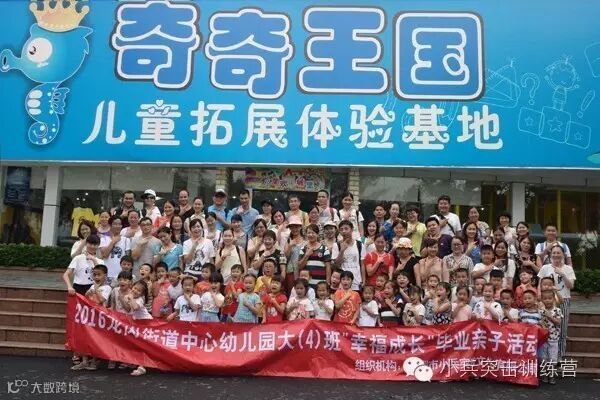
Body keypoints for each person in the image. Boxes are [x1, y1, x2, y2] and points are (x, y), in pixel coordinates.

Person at [537, 244, 575, 360]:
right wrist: (539, 296)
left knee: (562, 330)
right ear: (550, 254)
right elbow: (539, 284)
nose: (556, 255)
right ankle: (545, 357)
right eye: (554, 252)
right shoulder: (545, 268)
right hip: (546, 299)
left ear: (563, 255)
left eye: (559, 252)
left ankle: (559, 357)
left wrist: (562, 274)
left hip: (564, 300)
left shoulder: (568, 268)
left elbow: (571, 286)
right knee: (545, 327)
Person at [71, 264, 111, 371]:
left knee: (96, 339)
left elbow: (101, 300)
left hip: (99, 317)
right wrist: (87, 293)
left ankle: (94, 361)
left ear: (105, 275)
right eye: (95, 275)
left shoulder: (107, 288)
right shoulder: (92, 286)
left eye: (99, 275)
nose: (96, 277)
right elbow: (86, 299)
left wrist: (96, 290)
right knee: (86, 337)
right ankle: (84, 361)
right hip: (89, 315)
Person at [122, 280, 152, 376]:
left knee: (144, 346)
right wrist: (124, 298)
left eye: (139, 291)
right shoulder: (130, 296)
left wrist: (130, 298)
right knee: (136, 344)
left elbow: (135, 307)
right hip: (137, 324)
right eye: (135, 288)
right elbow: (127, 309)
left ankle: (142, 366)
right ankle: (134, 362)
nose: (135, 291)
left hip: (147, 324)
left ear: (142, 294)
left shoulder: (140, 299)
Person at [331, 220, 366, 291]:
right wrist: (342, 251)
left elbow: (362, 264)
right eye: (341, 229)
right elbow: (336, 265)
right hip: (342, 283)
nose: (344, 231)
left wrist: (364, 280)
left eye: (346, 228)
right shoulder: (336, 245)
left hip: (357, 281)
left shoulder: (359, 245)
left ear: (352, 229)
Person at [539, 289, 563, 385]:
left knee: (552, 359)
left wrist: (549, 316)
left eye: (550, 298)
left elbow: (558, 322)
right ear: (542, 300)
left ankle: (551, 375)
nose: (547, 300)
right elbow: (539, 323)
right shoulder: (540, 311)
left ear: (553, 299)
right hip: (543, 339)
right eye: (545, 298)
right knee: (543, 358)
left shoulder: (557, 310)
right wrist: (541, 324)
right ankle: (544, 375)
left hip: (553, 339)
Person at [99, 215, 131, 284]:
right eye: (115, 224)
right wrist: (113, 242)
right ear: (110, 225)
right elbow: (104, 255)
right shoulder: (104, 239)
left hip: (121, 276)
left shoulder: (126, 240)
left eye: (119, 224)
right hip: (107, 274)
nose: (118, 226)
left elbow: (128, 259)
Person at [298, 224, 331, 289]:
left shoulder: (324, 248)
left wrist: (327, 282)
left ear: (317, 234)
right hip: (306, 285)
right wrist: (306, 255)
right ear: (306, 234)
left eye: (313, 233)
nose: (311, 235)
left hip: (321, 284)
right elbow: (299, 266)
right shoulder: (303, 249)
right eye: (309, 233)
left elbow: (328, 267)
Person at [283, 216, 305, 292]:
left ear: (300, 227)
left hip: (303, 270)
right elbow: (285, 256)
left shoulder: (305, 240)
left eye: (296, 227)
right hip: (291, 270)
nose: (294, 229)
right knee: (291, 291)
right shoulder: (288, 240)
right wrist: (290, 246)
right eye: (292, 227)